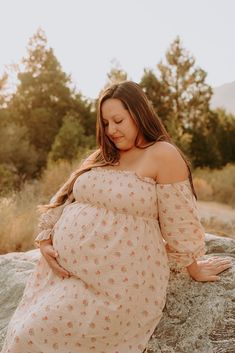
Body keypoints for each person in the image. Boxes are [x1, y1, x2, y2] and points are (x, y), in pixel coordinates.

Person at [1, 81, 232, 353]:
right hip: (64, 275)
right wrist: (45, 240)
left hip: (118, 287)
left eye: (118, 120)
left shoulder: (162, 155)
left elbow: (180, 222)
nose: (111, 130)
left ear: (139, 113)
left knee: (32, 337)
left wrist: (193, 266)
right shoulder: (104, 155)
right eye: (106, 123)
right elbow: (64, 197)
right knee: (23, 335)